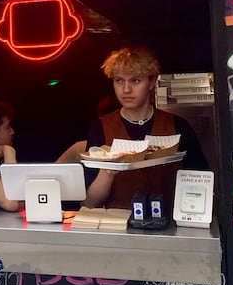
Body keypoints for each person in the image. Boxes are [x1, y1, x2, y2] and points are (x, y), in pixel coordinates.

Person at [84, 46, 208, 211]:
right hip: (118, 226)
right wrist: (107, 172)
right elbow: (91, 203)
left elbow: (201, 183)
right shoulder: (100, 127)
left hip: (170, 225)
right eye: (119, 81)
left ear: (151, 82)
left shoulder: (178, 125)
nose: (126, 90)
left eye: (135, 81)